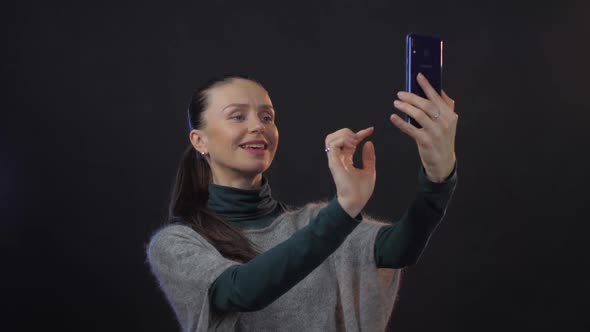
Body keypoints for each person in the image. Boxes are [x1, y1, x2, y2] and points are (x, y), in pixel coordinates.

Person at [146, 74, 458, 331]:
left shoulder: (315, 223)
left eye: (267, 116)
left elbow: (401, 247)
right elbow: (240, 290)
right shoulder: (177, 245)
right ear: (199, 141)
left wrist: (438, 176)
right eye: (238, 116)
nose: (258, 125)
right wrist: (343, 209)